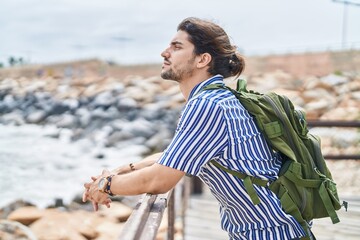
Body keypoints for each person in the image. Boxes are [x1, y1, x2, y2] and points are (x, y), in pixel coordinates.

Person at [82, 17, 306, 240]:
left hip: (271, 233)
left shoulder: (207, 104)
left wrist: (106, 185)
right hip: (277, 228)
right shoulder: (220, 97)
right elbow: (179, 153)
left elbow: (159, 180)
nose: (164, 52)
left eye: (176, 47)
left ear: (202, 60)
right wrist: (120, 171)